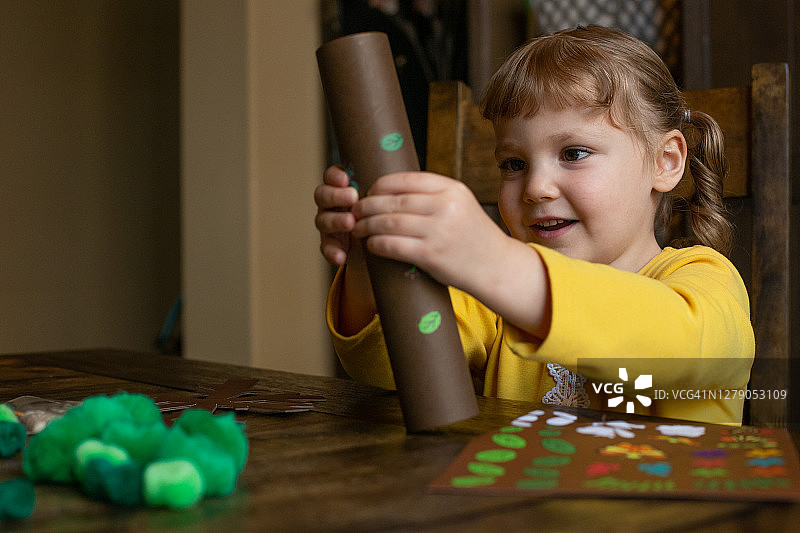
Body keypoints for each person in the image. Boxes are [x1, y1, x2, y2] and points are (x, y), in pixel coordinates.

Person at [314, 25, 754, 425]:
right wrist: (367, 260)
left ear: (665, 161)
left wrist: (496, 263)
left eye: (574, 153)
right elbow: (391, 367)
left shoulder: (706, 284)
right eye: (514, 163)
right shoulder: (491, 303)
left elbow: (677, 349)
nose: (536, 188)